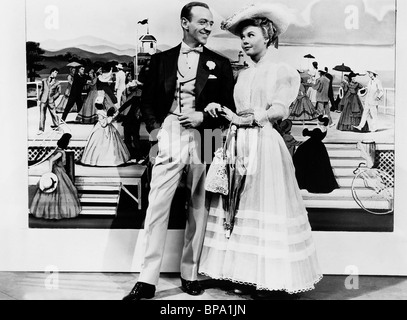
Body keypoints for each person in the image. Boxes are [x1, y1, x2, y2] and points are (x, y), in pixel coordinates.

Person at [198, 3, 322, 297]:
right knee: (239, 207)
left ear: (267, 36)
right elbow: (240, 108)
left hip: (263, 143)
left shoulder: (281, 70)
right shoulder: (244, 74)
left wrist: (249, 118)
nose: (244, 41)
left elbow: (278, 109)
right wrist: (222, 111)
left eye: (250, 35)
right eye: (242, 36)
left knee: (263, 204)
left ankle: (271, 278)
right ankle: (243, 275)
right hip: (238, 143)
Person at [122, 1, 235, 300]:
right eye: (202, 22)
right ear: (185, 23)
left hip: (208, 135)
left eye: (211, 23)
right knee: (158, 205)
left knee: (199, 204)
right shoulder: (161, 61)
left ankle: (190, 273)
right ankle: (147, 280)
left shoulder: (220, 64)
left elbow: (229, 109)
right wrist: (158, 132)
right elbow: (146, 102)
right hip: (169, 133)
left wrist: (204, 115)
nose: (208, 27)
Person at [30, 133, 81, 219]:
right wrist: (50, 172)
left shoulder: (58, 149)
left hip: (59, 171)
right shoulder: (60, 152)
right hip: (58, 172)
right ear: (66, 142)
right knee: (60, 191)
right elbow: (51, 160)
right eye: (69, 141)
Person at [293, 115, 339, 194]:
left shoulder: (318, 129)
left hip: (312, 148)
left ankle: (310, 184)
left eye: (319, 120)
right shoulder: (324, 128)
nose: (318, 121)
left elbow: (306, 133)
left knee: (308, 163)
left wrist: (305, 129)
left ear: (322, 122)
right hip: (319, 148)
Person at [80, 101, 130, 167]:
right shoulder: (100, 113)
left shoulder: (103, 111)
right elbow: (103, 123)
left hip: (108, 128)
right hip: (102, 129)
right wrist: (110, 118)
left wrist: (110, 117)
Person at [37, 68, 61, 135]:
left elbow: (59, 92)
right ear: (52, 72)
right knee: (42, 115)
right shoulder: (44, 80)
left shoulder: (57, 82)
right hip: (43, 100)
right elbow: (41, 90)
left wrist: (53, 98)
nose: (56, 74)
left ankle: (57, 128)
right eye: (55, 72)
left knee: (54, 114)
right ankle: (41, 130)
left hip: (51, 101)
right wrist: (39, 99)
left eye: (57, 73)